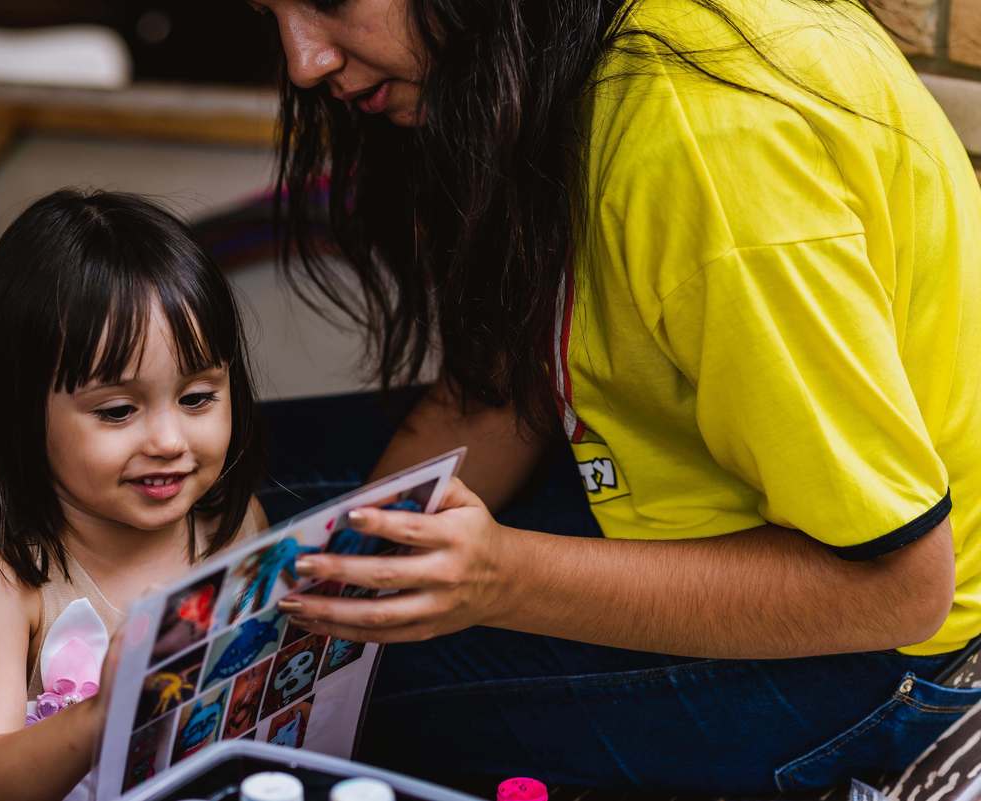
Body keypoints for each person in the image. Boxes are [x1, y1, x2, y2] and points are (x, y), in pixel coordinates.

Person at [249, 0, 981, 794]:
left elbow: (900, 588)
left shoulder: (702, 136)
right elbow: (497, 391)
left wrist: (500, 578)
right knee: (233, 485)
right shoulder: (564, 50)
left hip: (870, 649)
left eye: (327, 2)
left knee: (324, 709)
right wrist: (351, 571)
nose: (303, 61)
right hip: (682, 494)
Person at [0, 189, 267, 801]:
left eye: (198, 398)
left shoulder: (235, 525)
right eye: (119, 410)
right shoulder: (9, 577)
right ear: (24, 415)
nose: (169, 440)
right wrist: (98, 719)